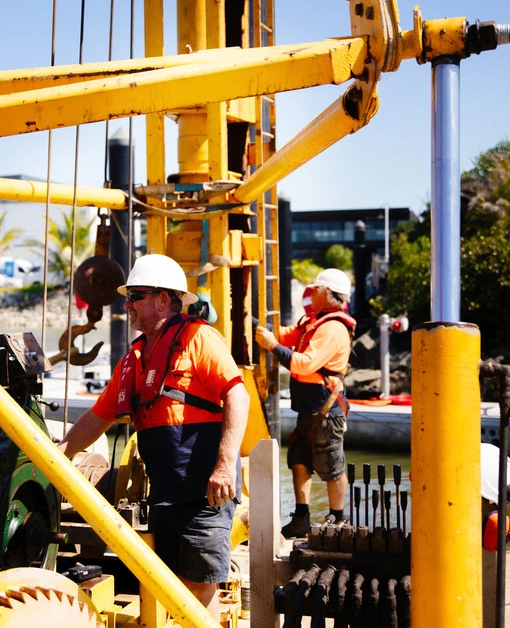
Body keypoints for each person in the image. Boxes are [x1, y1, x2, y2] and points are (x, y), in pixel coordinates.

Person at [58, 253, 249, 618]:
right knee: (173, 585)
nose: (127, 304)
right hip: (165, 494)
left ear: (165, 299)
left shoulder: (198, 338)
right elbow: (98, 417)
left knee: (197, 585)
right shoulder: (135, 357)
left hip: (204, 493)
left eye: (136, 296)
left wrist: (225, 465)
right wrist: (57, 454)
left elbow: (236, 394)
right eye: (128, 297)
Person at [254, 268, 355, 538]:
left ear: (327, 294)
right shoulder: (314, 322)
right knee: (298, 459)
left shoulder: (333, 329)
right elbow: (287, 335)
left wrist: (272, 346)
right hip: (309, 409)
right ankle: (301, 516)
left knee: (332, 466)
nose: (312, 292)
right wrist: (257, 326)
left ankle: (337, 520)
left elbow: (304, 364)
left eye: (317, 289)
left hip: (326, 410)